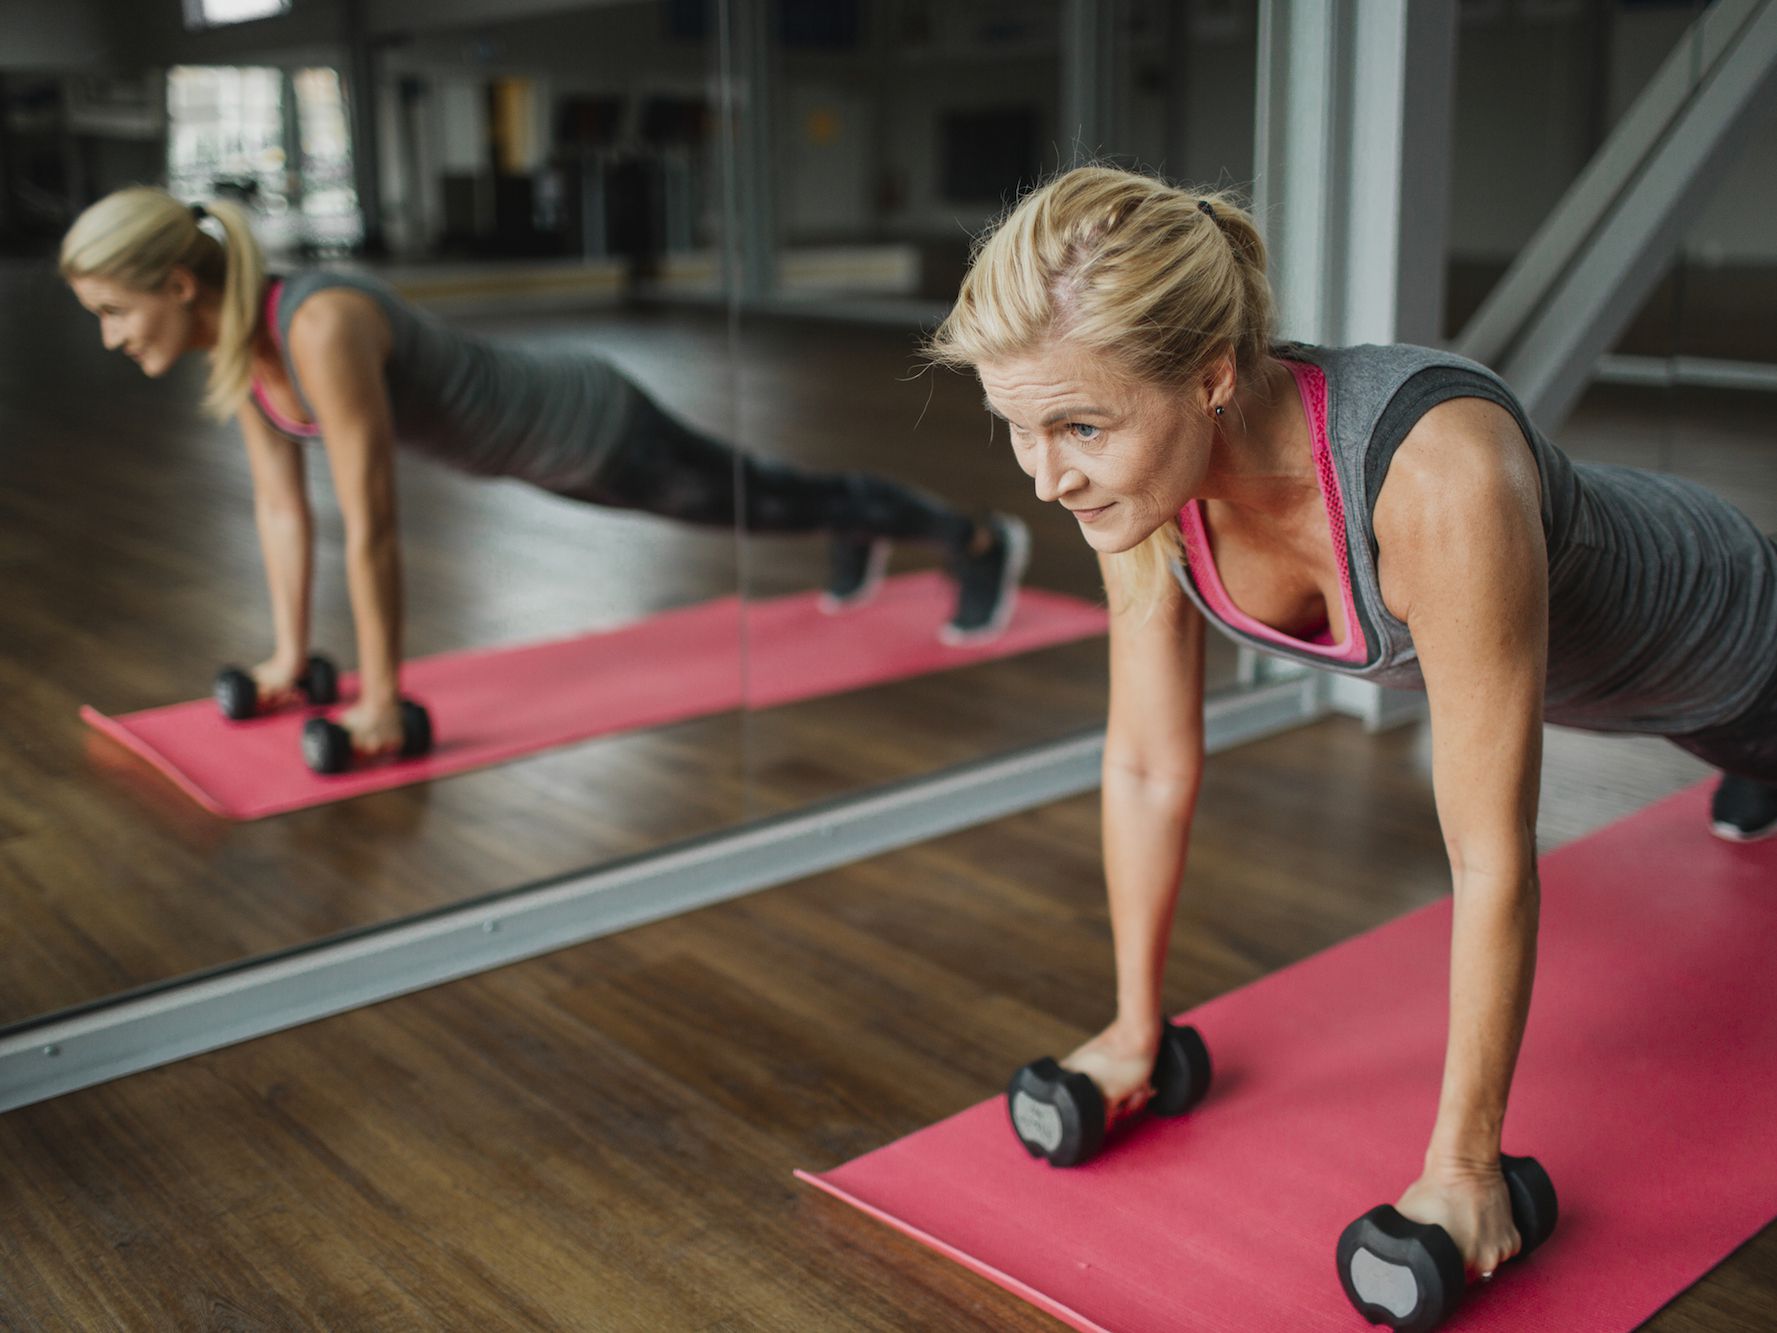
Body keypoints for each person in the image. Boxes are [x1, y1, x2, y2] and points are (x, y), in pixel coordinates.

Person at [925, 166, 1777, 1280]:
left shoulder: (1437, 475)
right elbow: (1142, 767)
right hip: (1608, 692)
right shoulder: (1140, 497)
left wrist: (1468, 1172)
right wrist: (1136, 1032)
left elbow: (1485, 854)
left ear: (1213, 374)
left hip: (1728, 637)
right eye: (1019, 431)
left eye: (1077, 426)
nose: (1045, 478)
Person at [60, 186, 1028, 757]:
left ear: (181, 286)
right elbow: (280, 511)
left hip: (593, 427)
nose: (110, 337)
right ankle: (855, 523)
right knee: (769, 499)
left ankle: (976, 536)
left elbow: (372, 520)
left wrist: (381, 700)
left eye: (112, 311)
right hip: (542, 456)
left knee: (771, 499)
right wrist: (284, 661)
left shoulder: (319, 325)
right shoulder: (241, 355)